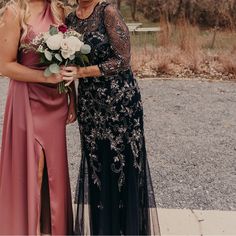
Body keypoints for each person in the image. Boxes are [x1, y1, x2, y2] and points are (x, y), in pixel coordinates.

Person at [63, 0, 160, 234]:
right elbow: (67, 66)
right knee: (98, 169)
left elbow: (122, 59)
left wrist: (83, 72)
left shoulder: (108, 11)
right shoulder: (70, 20)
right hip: (91, 108)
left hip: (121, 105)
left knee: (124, 167)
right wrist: (72, 102)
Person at [0, 0, 75, 234]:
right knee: (35, 168)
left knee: (54, 170)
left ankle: (52, 229)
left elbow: (67, 60)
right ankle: (24, 228)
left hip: (55, 102)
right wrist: (44, 77)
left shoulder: (59, 9)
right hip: (27, 99)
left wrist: (72, 98)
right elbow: (5, 66)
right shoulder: (15, 12)